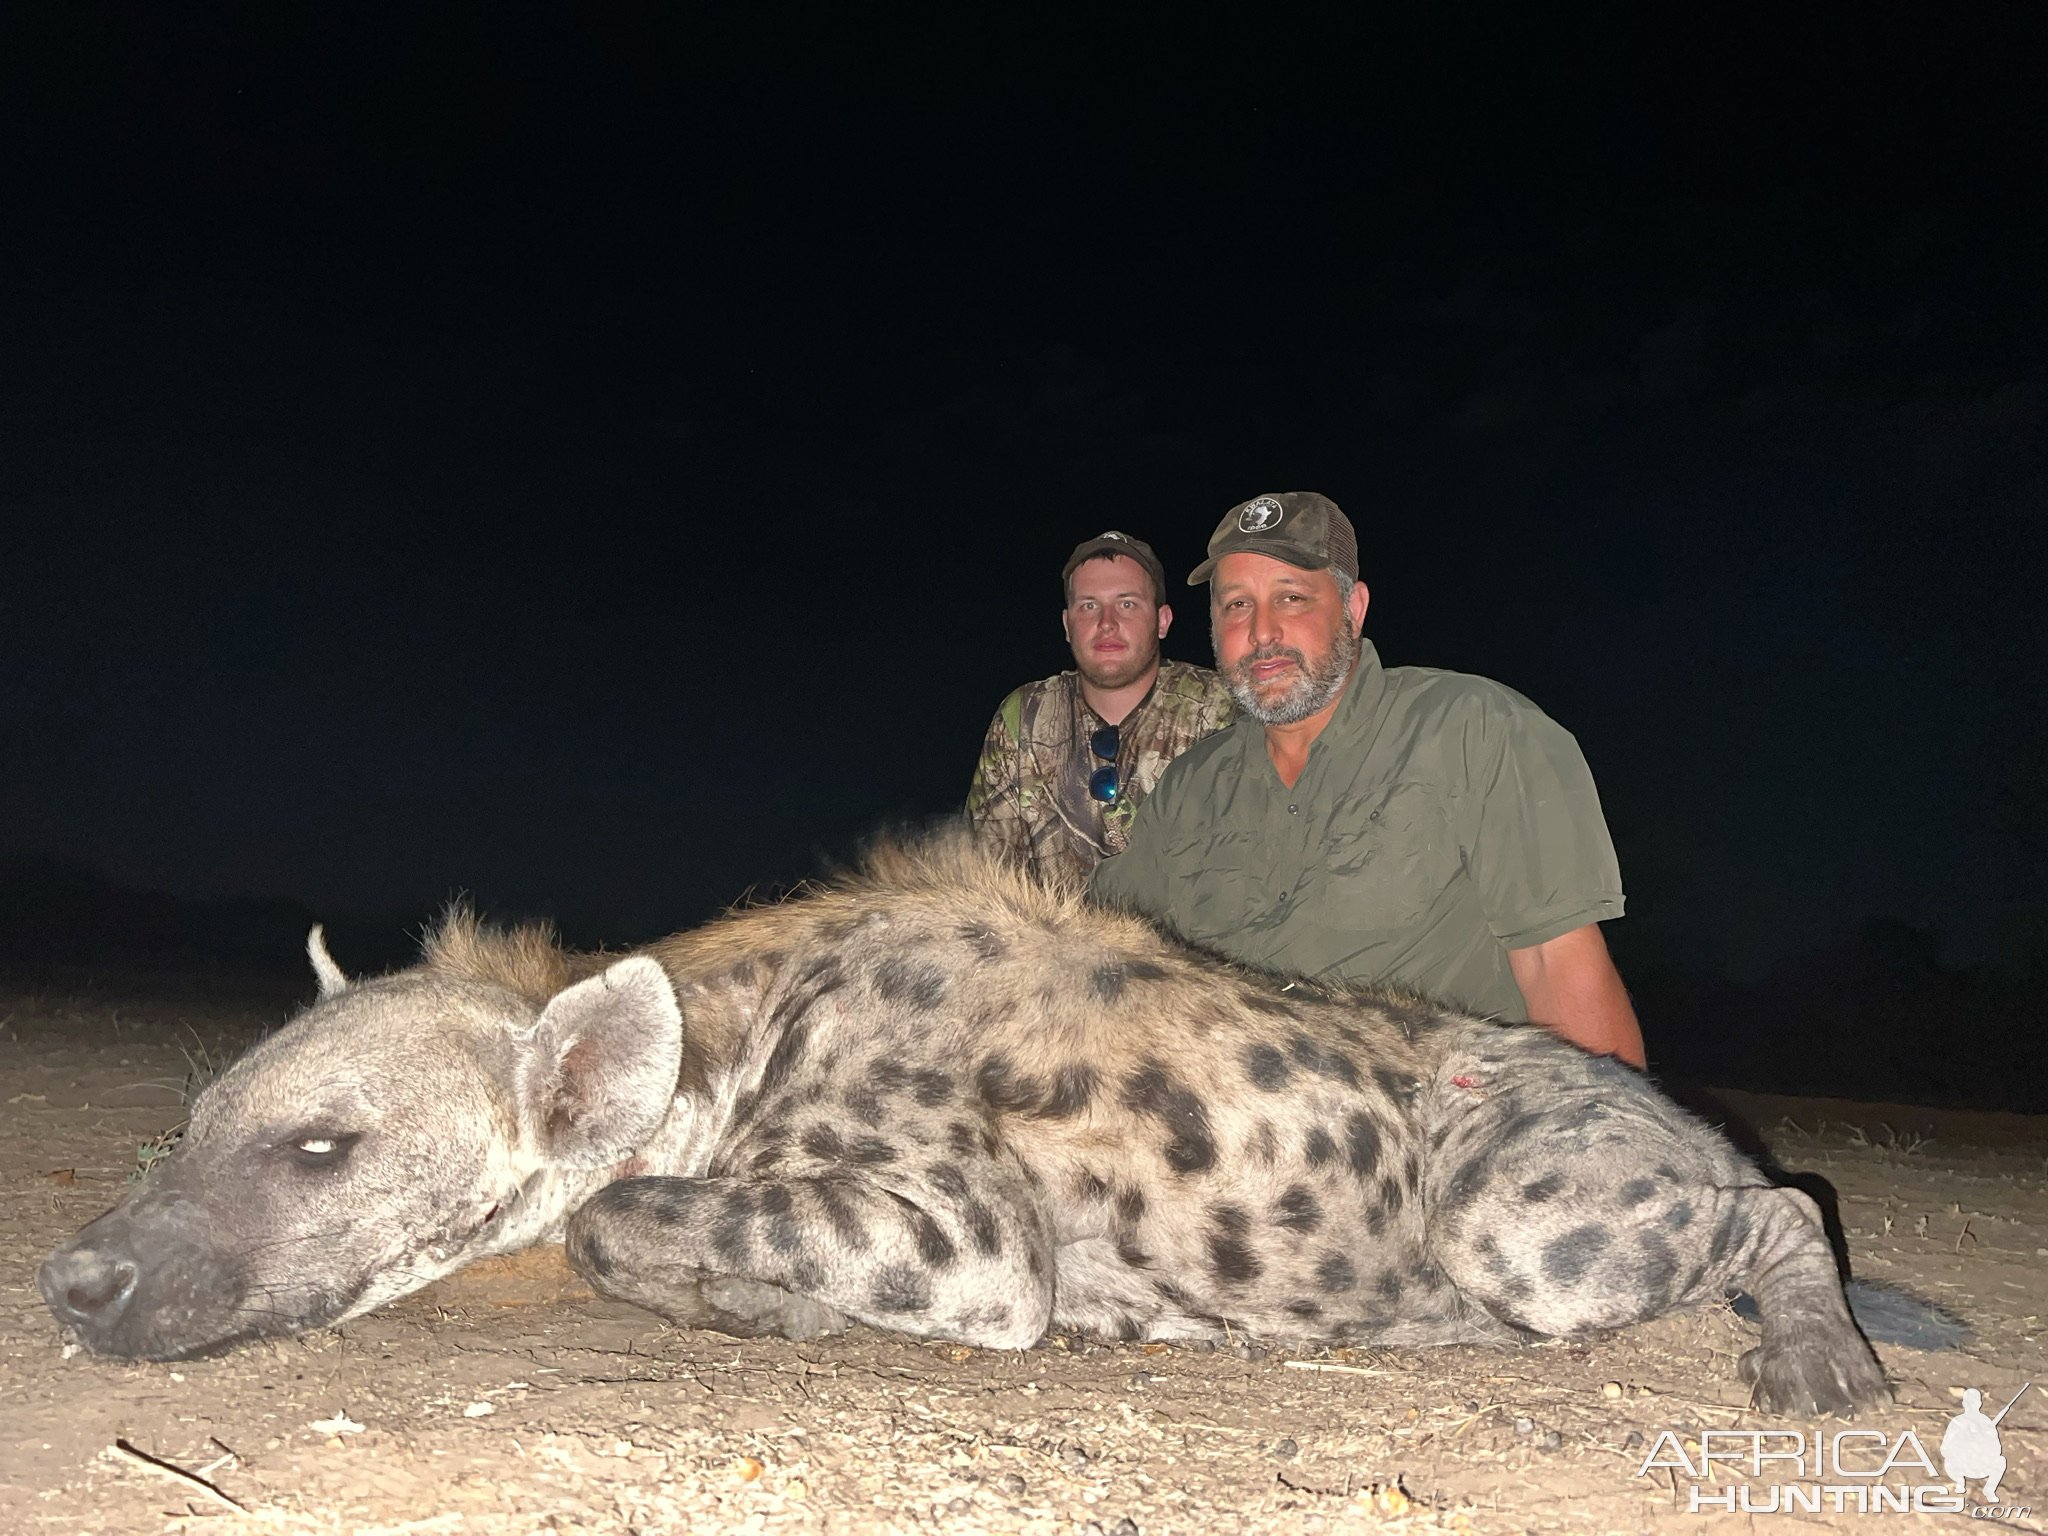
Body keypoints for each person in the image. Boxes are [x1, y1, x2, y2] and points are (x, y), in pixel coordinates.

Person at [1089, 492, 1645, 1066]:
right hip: (1233, 1128)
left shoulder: (1477, 729)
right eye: (1236, 605)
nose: (1260, 632)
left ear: (1353, 608)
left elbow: (1560, 970)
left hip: (1432, 1128)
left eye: (1291, 598)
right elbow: (1101, 958)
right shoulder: (1189, 788)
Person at [967, 531, 1235, 887]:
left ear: (1163, 621)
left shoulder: (1218, 710)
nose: (1106, 623)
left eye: (1127, 604)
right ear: (1067, 625)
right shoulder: (1024, 718)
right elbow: (983, 874)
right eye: (1089, 605)